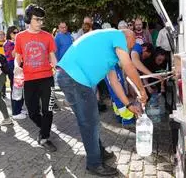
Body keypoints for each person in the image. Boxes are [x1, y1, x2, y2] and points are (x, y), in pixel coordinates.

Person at [57, 29, 148, 176]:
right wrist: (142, 91)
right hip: (74, 78)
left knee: (88, 121)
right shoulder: (117, 35)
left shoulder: (108, 51)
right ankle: (94, 164)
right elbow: (128, 65)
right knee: (89, 122)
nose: (128, 50)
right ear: (127, 37)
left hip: (70, 77)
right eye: (129, 46)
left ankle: (98, 152)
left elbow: (115, 83)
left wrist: (129, 105)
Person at [14, 4, 57, 152]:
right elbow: (18, 56)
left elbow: (52, 55)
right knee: (32, 112)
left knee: (48, 109)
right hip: (29, 80)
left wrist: (57, 68)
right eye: (37, 19)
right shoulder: (20, 37)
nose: (40, 22)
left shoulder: (48, 36)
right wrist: (16, 65)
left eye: (42, 20)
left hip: (47, 78)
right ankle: (45, 127)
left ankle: (44, 136)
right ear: (28, 19)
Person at [3, 26, 26, 120]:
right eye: (14, 32)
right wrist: (17, 43)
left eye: (18, 32)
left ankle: (20, 108)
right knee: (16, 89)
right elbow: (12, 55)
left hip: (20, 66)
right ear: (9, 33)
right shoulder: (7, 43)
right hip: (13, 67)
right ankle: (15, 112)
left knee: (20, 88)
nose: (16, 34)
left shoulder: (16, 42)